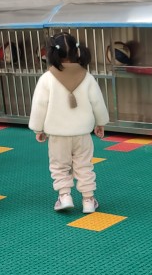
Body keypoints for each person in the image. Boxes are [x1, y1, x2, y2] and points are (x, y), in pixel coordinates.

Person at [28, 33, 109, 213]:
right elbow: (97, 102)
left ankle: (64, 196)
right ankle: (88, 200)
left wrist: (38, 129)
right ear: (77, 51)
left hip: (57, 135)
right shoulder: (87, 77)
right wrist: (100, 123)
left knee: (59, 166)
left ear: (51, 53)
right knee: (84, 165)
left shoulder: (47, 78)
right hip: (82, 134)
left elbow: (39, 105)